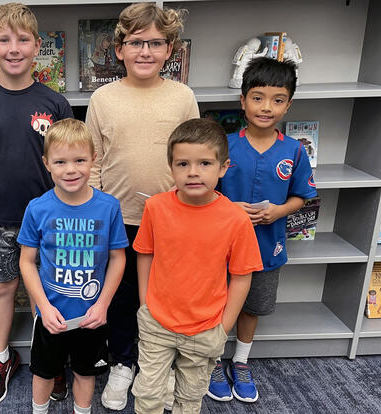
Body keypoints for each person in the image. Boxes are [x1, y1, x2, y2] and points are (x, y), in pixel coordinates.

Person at [85, 3, 199, 410]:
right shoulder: (102, 98)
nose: (145, 52)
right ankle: (122, 363)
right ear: (119, 49)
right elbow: (93, 159)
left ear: (170, 50)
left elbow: (194, 156)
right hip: (118, 220)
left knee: (163, 295)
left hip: (170, 219)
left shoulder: (183, 97)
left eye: (155, 43)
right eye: (135, 43)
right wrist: (96, 212)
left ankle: (159, 367)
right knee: (121, 296)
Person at [0, 2, 74, 405]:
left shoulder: (55, 103)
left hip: (47, 219)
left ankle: (52, 359)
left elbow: (68, 161)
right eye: (4, 40)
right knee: (2, 287)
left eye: (23, 39)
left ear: (36, 46)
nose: (14, 48)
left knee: (52, 289)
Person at [131, 118, 263, 413]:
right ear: (171, 168)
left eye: (204, 163)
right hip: (157, 322)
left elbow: (242, 276)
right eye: (182, 164)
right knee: (147, 395)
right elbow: (145, 254)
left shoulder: (236, 220)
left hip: (206, 328)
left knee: (190, 398)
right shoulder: (156, 208)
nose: (193, 172)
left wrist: (224, 327)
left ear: (223, 167)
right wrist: (145, 305)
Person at [211, 57, 317, 403]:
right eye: (257, 97)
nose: (266, 107)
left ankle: (240, 362)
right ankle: (212, 358)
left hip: (267, 246)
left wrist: (278, 211)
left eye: (277, 99)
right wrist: (227, 208)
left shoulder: (295, 150)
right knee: (215, 303)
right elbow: (201, 193)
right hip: (220, 249)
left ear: (288, 104)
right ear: (242, 101)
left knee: (252, 307)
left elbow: (303, 196)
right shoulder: (224, 145)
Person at [18, 118, 127, 414]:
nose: (71, 169)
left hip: (91, 315)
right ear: (46, 163)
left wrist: (103, 304)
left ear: (93, 159)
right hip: (51, 314)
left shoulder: (108, 207)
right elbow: (27, 262)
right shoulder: (37, 208)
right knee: (43, 371)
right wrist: (43, 307)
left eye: (79, 160)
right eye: (61, 161)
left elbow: (118, 258)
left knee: (85, 372)